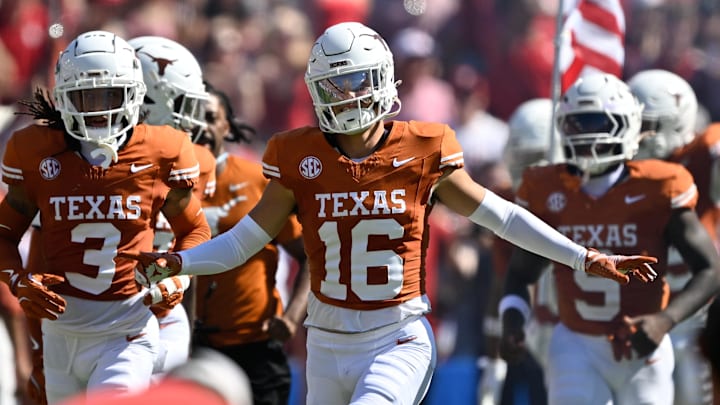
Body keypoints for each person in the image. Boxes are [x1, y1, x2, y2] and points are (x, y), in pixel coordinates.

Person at [119, 22, 657, 405]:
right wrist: (178, 264)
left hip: (396, 335)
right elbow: (243, 242)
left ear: (383, 82)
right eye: (336, 82)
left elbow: (502, 217)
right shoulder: (298, 155)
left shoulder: (424, 149)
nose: (347, 94)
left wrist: (584, 257)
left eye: (356, 80)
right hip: (326, 342)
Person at [0, 30, 211, 403]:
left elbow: (195, 230)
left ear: (135, 95)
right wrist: (17, 281)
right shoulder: (36, 152)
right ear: (64, 97)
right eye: (86, 97)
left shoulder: (165, 151)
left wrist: (180, 276)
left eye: (109, 95)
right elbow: (5, 235)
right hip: (61, 332)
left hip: (130, 327)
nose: (99, 110)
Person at [499, 73, 720, 405]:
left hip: (645, 344)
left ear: (628, 125)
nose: (589, 136)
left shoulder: (659, 186)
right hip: (576, 342)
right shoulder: (549, 189)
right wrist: (512, 321)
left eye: (599, 123)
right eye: (579, 124)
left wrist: (664, 320)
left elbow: (710, 269)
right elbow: (519, 274)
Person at [190, 81, 309, 405]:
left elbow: (310, 255)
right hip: (188, 347)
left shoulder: (257, 178)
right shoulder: (164, 182)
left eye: (210, 117)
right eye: (192, 116)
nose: (201, 126)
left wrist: (292, 318)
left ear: (226, 125)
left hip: (255, 345)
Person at [127, 35, 217, 377]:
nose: (194, 121)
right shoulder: (91, 162)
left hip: (165, 314)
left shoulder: (198, 161)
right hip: (98, 311)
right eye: (183, 105)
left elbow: (194, 246)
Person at [628, 68, 716, 405]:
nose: (638, 135)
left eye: (647, 126)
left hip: (700, 318)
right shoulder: (623, 169)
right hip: (645, 319)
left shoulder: (703, 157)